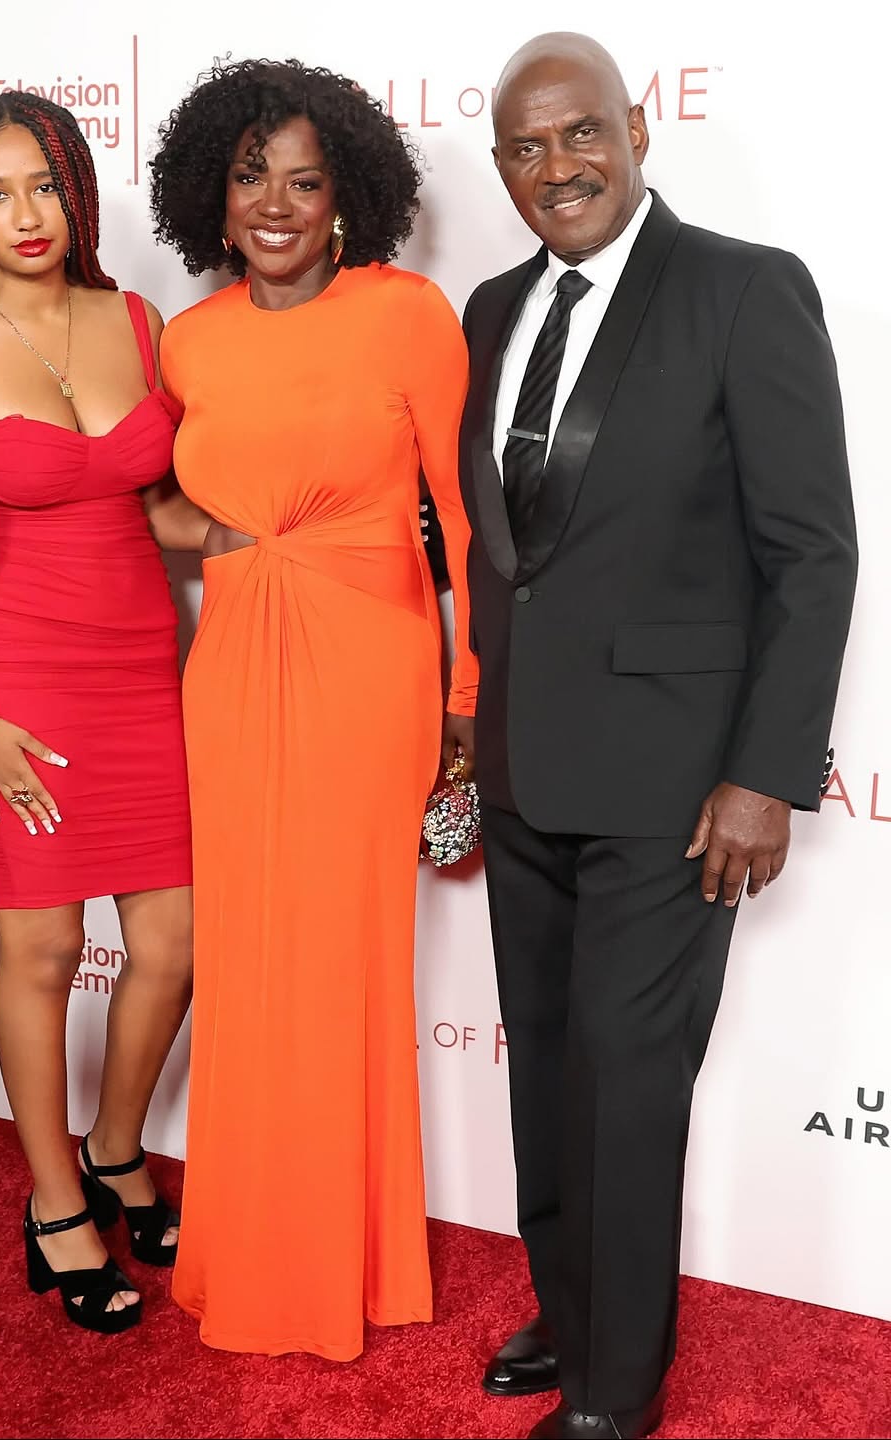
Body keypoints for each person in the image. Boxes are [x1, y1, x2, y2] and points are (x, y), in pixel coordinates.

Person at [460, 32, 857, 1440]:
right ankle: (570, 1314)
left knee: (627, 1085)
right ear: (499, 164)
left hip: (678, 785)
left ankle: (614, 1391)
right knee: (552, 1062)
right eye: (525, 147)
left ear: (635, 127)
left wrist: (764, 773)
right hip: (521, 768)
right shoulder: (491, 309)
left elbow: (814, 555)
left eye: (579, 134)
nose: (556, 166)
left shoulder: (744, 290)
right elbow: (513, 553)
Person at [146, 58, 478, 1361]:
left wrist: (465, 697)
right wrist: (222, 533)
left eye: (304, 178)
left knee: (340, 970)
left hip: (371, 671)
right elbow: (152, 505)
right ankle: (250, 1250)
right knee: (246, 960)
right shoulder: (189, 340)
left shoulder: (408, 314)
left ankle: (347, 1266)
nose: (276, 203)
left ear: (347, 197)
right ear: (213, 204)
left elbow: (463, 520)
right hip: (231, 668)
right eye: (250, 178)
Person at [0, 93, 192, 1335]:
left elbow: (158, 512)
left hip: (146, 673)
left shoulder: (143, 321)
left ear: (79, 192)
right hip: (17, 688)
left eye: (45, 187)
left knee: (173, 949)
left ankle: (118, 1147)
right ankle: (57, 1200)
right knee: (45, 951)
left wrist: (261, 534)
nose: (25, 216)